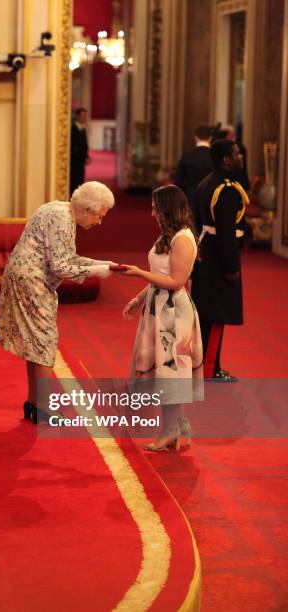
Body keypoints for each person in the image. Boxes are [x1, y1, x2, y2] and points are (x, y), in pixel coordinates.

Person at [0, 181, 116, 423]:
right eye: (99, 216)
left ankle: (34, 404)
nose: (99, 222)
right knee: (44, 341)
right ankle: (45, 409)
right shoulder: (62, 220)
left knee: (34, 342)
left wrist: (101, 264)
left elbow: (68, 258)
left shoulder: (59, 209)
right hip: (32, 282)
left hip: (25, 277)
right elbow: (61, 267)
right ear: (88, 209)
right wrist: (97, 271)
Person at [122, 185, 203, 451]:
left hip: (173, 312)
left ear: (167, 208)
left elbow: (176, 281)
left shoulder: (183, 238)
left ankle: (170, 430)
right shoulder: (167, 236)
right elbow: (160, 274)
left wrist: (139, 274)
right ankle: (179, 426)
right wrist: (138, 299)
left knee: (171, 373)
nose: (152, 212)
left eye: (156, 206)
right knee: (164, 371)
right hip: (158, 308)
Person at [192, 138, 249, 382]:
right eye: (237, 153)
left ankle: (207, 365)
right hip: (219, 256)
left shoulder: (208, 182)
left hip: (207, 251)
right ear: (226, 159)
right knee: (217, 315)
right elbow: (226, 232)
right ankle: (209, 369)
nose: (241, 157)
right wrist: (232, 267)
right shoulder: (226, 189)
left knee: (206, 313)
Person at [174, 125, 213, 220]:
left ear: (195, 137)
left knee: (193, 229)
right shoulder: (216, 157)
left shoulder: (187, 156)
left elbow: (178, 181)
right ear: (210, 138)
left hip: (191, 198)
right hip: (211, 199)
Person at [70, 107, 90, 195]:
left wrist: (87, 156)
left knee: (80, 180)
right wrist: (83, 157)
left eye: (86, 116)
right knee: (74, 180)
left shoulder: (83, 128)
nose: (85, 118)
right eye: (83, 116)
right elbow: (73, 146)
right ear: (77, 117)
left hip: (81, 160)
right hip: (74, 160)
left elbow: (83, 145)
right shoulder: (72, 129)